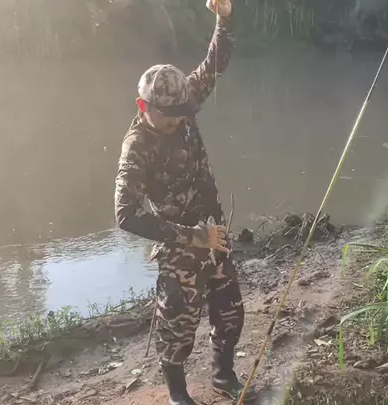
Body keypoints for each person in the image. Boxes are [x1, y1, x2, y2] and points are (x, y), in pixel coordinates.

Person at [113, 0, 257, 404]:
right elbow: (125, 215)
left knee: (230, 313)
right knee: (176, 326)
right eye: (170, 116)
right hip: (180, 246)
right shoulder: (137, 148)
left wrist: (224, 18)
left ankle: (223, 376)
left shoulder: (180, 102)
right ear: (144, 107)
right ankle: (178, 395)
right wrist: (193, 237)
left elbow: (215, 63)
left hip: (215, 233)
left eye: (182, 113)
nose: (179, 120)